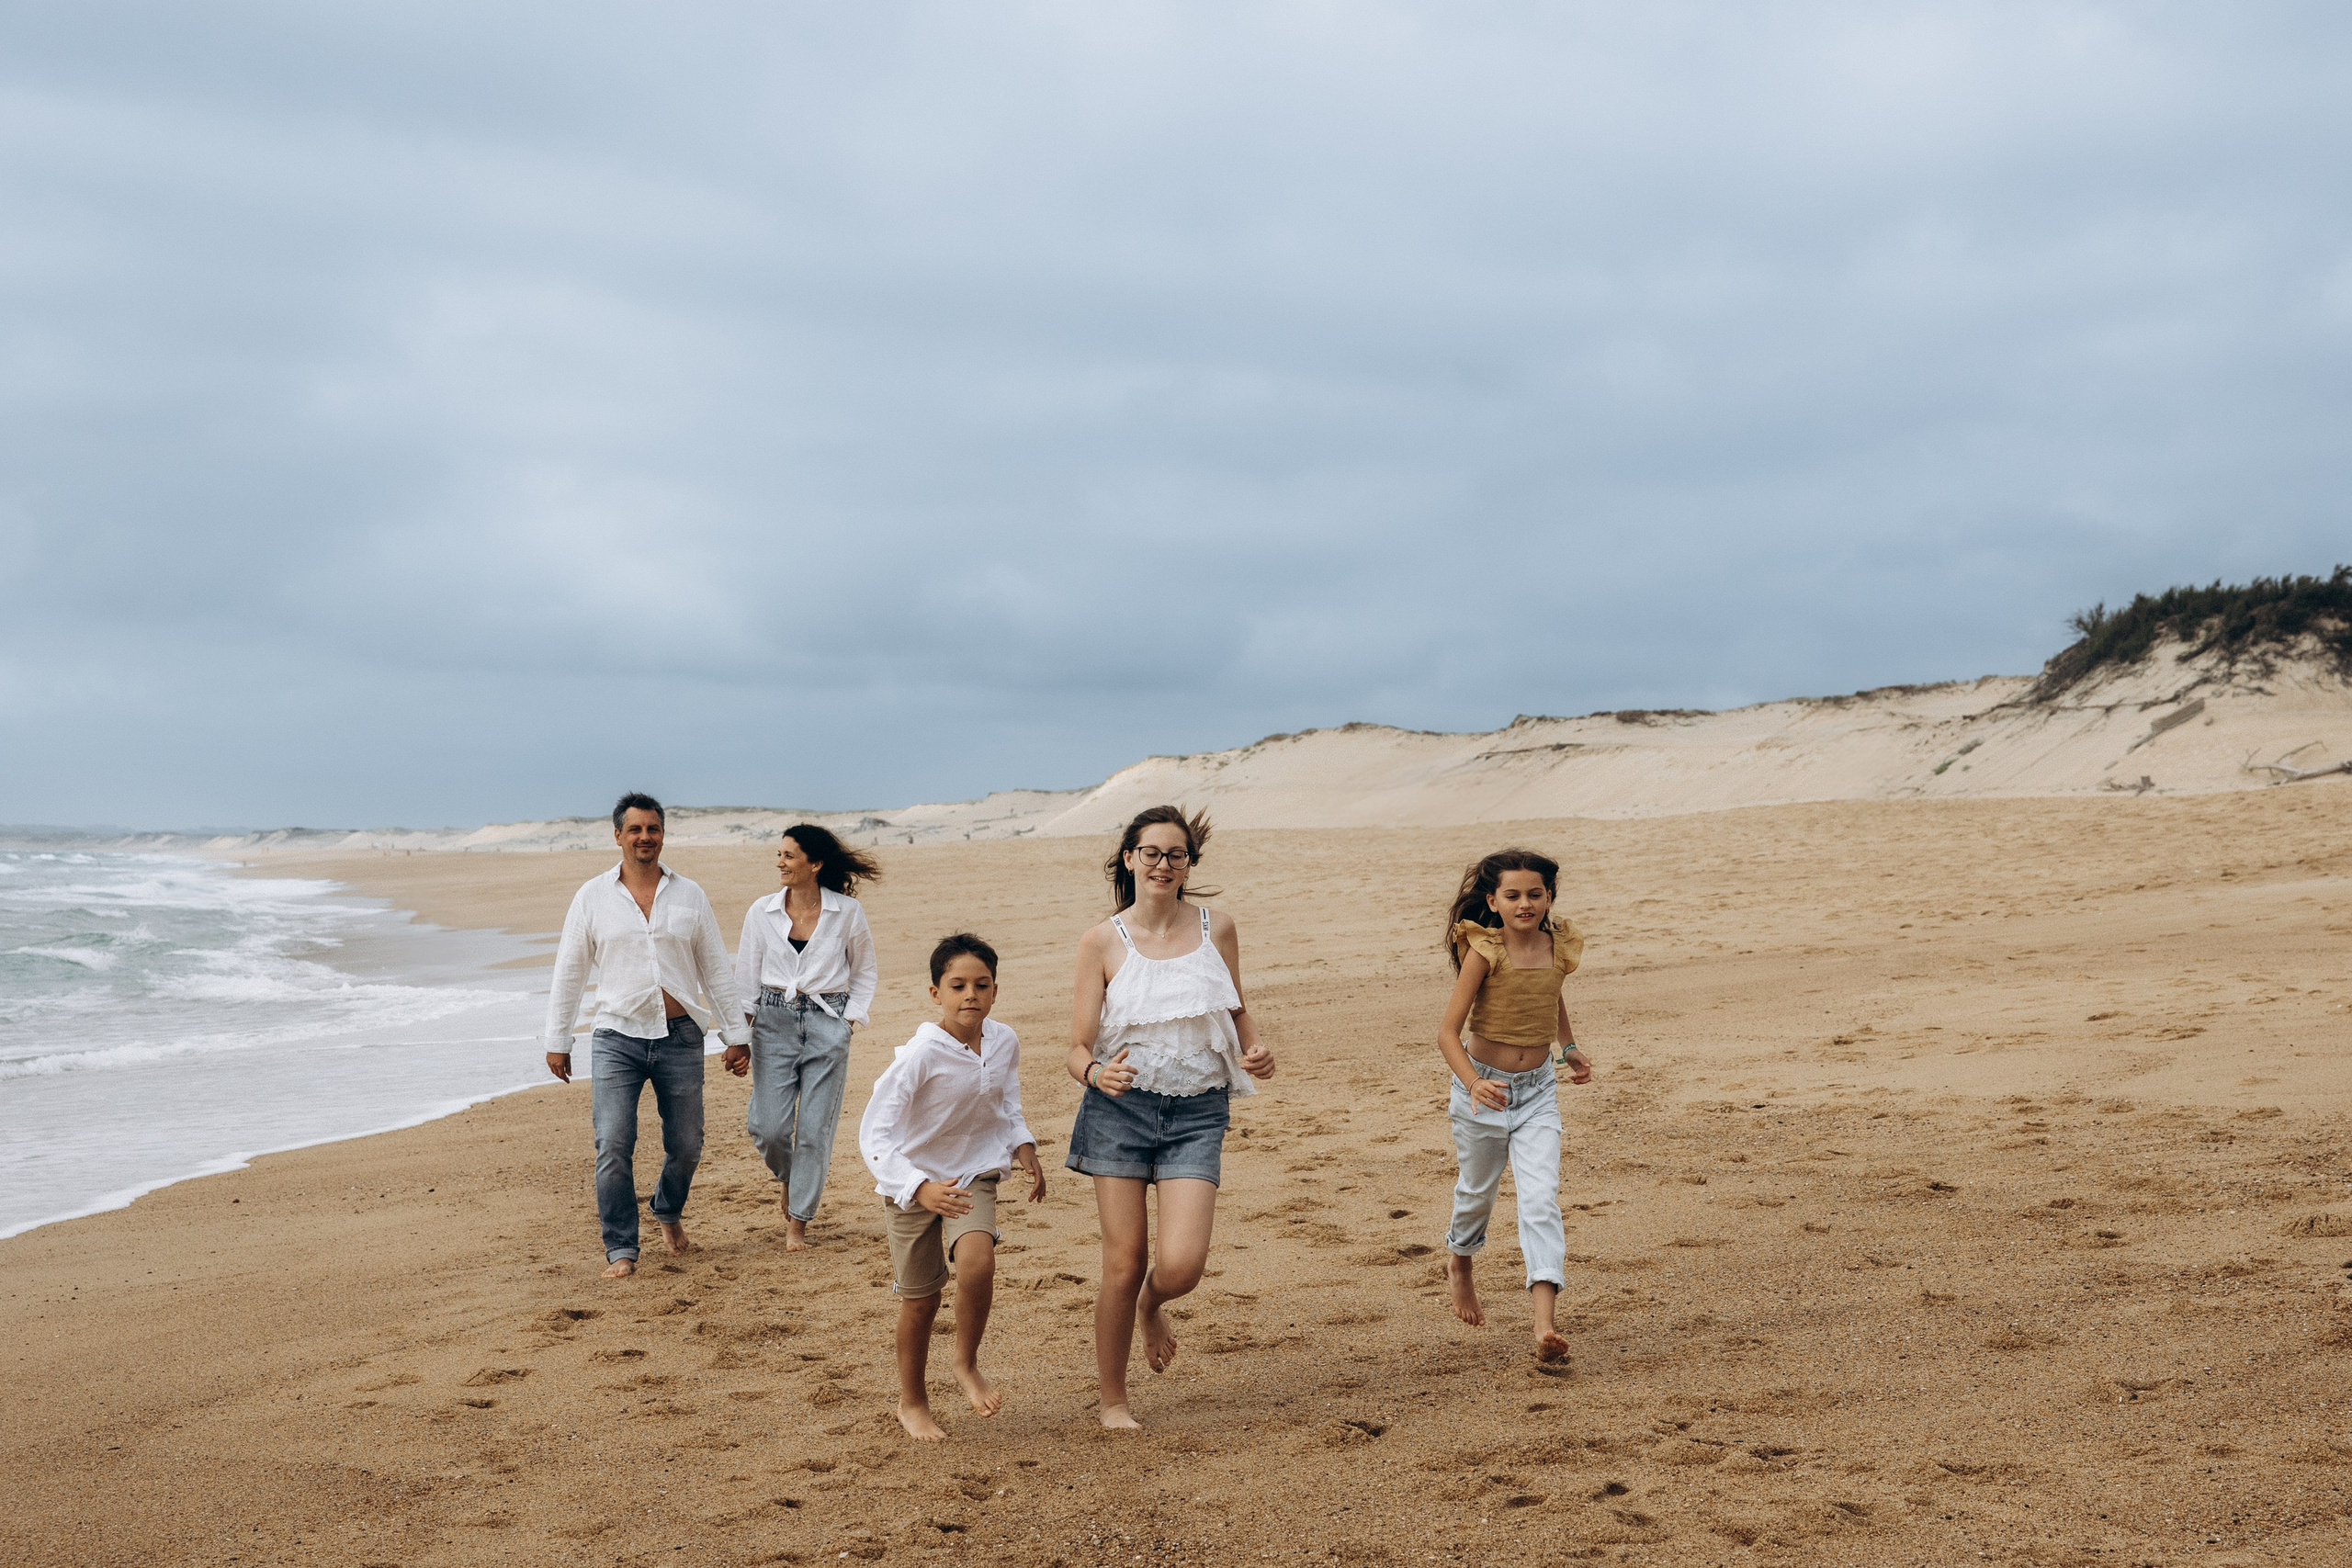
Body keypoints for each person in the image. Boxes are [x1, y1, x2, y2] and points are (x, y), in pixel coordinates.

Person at [1066, 805, 1274, 1429]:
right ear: (1129, 857)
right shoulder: (1101, 940)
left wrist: (1255, 1048)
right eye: (1150, 852)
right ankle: (1114, 1400)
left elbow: (1236, 1010)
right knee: (1123, 1261)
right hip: (1118, 1111)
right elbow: (1076, 1047)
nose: (1162, 863)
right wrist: (1097, 1072)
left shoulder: (1218, 927)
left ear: (1189, 864)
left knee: (1180, 1265)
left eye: (1175, 854)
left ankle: (1152, 1305)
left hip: (1197, 1109)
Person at [543, 793, 750, 1280]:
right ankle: (621, 1248)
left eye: (653, 829)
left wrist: (735, 1033)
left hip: (680, 1037)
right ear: (617, 835)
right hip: (617, 1037)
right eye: (634, 829)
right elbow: (569, 971)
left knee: (688, 1143)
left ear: (662, 834)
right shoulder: (592, 897)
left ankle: (667, 1210)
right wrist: (558, 1038)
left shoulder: (689, 894)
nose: (644, 837)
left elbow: (715, 968)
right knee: (613, 1142)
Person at [856, 933, 1046, 1441]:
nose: (970, 996)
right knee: (921, 1301)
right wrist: (917, 1187)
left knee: (979, 1260)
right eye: (957, 985)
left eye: (981, 985)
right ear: (934, 992)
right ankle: (912, 1402)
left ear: (995, 991)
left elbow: (1006, 1102)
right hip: (912, 1182)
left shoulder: (1004, 1040)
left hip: (973, 1172)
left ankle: (965, 1362)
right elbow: (873, 1132)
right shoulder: (921, 1054)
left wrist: (1023, 1145)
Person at [1434, 848, 1592, 1360]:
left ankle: (1544, 1325)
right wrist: (1473, 1083)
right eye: (1513, 895)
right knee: (1477, 1193)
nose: (1525, 903)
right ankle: (1460, 1260)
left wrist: (1567, 1048)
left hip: (1538, 1092)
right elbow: (1446, 1033)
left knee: (1541, 1200)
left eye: (1535, 894)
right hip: (1484, 1091)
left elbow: (1552, 996)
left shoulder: (1557, 945)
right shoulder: (1486, 950)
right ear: (1493, 901)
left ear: (1549, 898)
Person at [729, 824, 881, 1249]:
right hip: (773, 1022)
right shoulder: (761, 912)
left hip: (827, 1022)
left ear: (815, 865)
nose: (780, 863)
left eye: (789, 856)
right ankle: (791, 1177)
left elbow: (864, 970)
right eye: (779, 855)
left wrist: (848, 1022)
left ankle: (798, 1222)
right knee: (767, 1127)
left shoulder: (847, 913)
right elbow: (745, 979)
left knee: (815, 1129)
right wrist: (738, 1035)